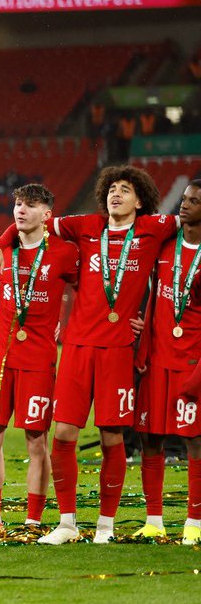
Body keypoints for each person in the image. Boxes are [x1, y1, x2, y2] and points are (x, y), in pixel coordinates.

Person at [0, 165, 175, 544]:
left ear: (141, 201)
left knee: (111, 438)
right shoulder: (84, 226)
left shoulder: (158, 228)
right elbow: (23, 226)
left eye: (125, 190)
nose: (115, 194)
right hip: (75, 347)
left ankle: (105, 525)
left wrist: (147, 319)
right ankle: (67, 523)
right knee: (65, 433)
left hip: (117, 350)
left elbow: (175, 264)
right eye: (111, 189)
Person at [0, 184, 78, 541]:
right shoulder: (1, 251)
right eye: (17, 204)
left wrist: (71, 322)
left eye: (30, 206)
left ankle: (33, 520)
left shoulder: (64, 252)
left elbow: (88, 291)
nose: (21, 210)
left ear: (47, 214)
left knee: (36, 441)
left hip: (38, 358)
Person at [133, 180, 201, 542]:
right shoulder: (165, 247)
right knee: (151, 439)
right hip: (158, 361)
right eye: (185, 198)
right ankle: (154, 519)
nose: (184, 205)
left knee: (195, 442)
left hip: (191, 362)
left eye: (193, 201)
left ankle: (195, 522)